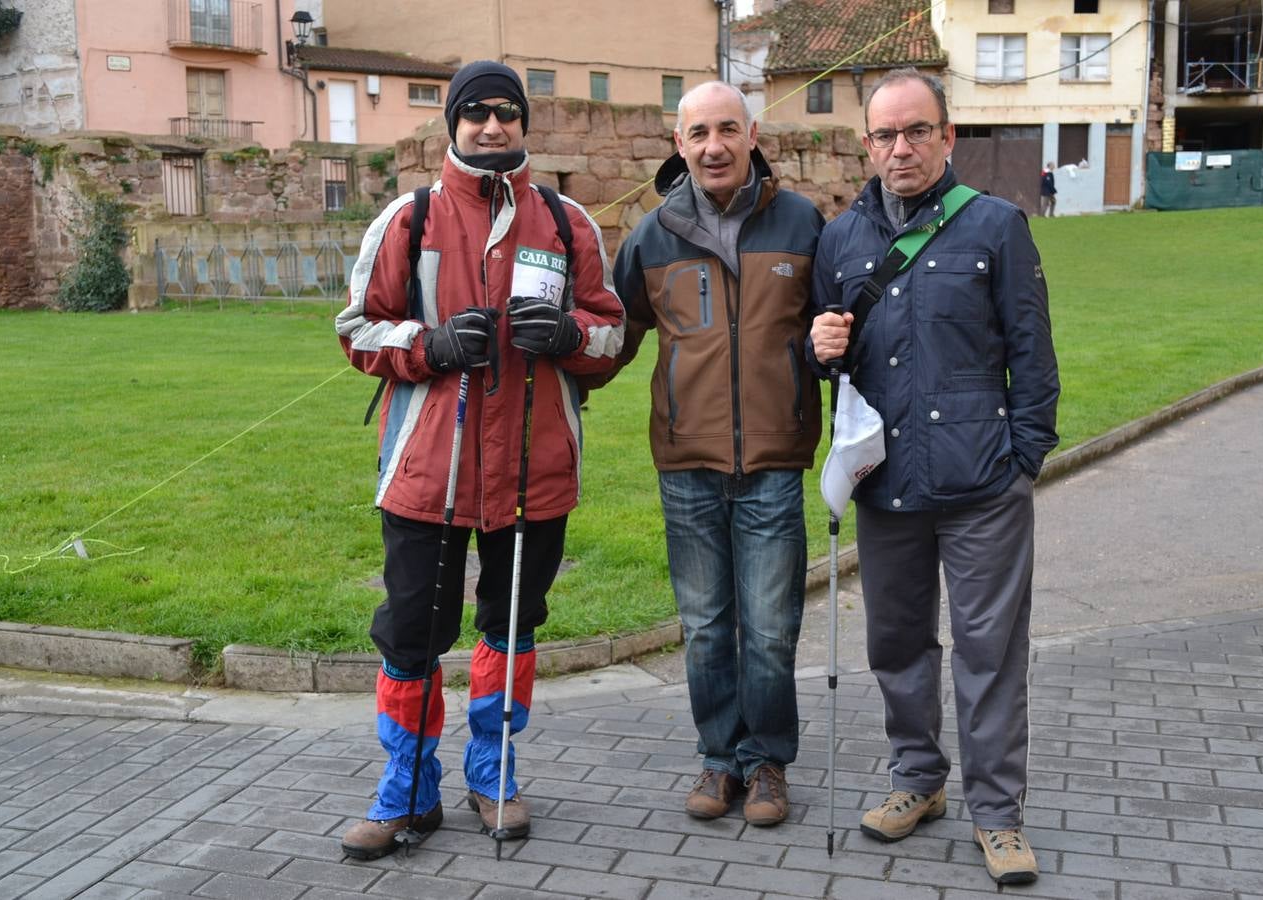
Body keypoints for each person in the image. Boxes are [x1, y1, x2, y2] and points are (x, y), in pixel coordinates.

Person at [334, 60, 624, 860]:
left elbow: (612, 332)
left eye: (506, 113)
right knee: (410, 635)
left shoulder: (568, 224)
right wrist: (429, 345)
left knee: (511, 627)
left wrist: (570, 337)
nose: (492, 127)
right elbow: (358, 328)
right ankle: (407, 787)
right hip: (431, 469)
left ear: (523, 124)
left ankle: (493, 771)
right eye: (476, 114)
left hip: (535, 471)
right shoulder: (411, 217)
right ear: (453, 125)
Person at [809, 68, 1059, 884]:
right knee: (897, 645)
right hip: (888, 487)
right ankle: (918, 781)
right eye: (885, 134)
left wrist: (1023, 459)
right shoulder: (842, 239)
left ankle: (998, 814)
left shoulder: (995, 227)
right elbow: (819, 359)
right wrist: (815, 351)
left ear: (948, 137)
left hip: (983, 487)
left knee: (989, 653)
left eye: (917, 131)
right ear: (868, 144)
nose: (900, 148)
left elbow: (1033, 355)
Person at [579, 81, 823, 827]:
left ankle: (768, 762)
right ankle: (720, 761)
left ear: (752, 135)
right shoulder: (653, 235)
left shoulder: (803, 223)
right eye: (698, 134)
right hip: (686, 463)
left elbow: (838, 329)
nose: (713, 146)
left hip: (774, 461)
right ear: (677, 144)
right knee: (709, 625)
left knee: (773, 626)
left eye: (727, 130)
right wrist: (557, 381)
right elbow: (614, 334)